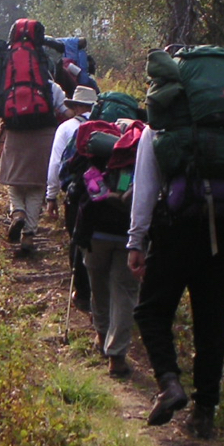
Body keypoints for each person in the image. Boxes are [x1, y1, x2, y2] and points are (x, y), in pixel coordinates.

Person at [125, 122, 224, 438]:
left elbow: (146, 186)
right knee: (211, 321)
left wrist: (135, 241)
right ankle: (204, 413)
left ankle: (169, 383)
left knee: (150, 311)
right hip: (222, 230)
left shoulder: (161, 124)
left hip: (174, 230)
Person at [0, 20, 73, 255]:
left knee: (15, 182)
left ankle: (16, 212)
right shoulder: (51, 87)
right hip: (44, 138)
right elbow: (65, 114)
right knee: (37, 189)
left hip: (15, 134)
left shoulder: (9, 82)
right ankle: (29, 235)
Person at [77, 119, 143, 378]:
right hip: (129, 235)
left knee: (98, 284)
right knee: (125, 294)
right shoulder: (140, 153)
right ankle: (117, 356)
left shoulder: (92, 151)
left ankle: (101, 333)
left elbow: (82, 186)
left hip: (95, 233)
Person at [45, 86, 98, 311]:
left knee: (78, 241)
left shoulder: (66, 128)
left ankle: (83, 294)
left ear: (75, 106)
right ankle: (102, 294)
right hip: (107, 195)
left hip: (77, 195)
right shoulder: (108, 124)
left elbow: (56, 164)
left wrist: (51, 196)